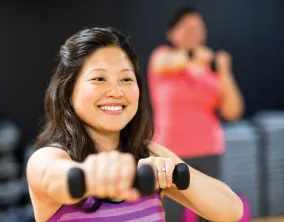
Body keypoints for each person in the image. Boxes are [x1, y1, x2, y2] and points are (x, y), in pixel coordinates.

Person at [26, 27, 243, 222]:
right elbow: (54, 178)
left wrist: (173, 171)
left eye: (126, 79)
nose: (117, 92)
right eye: (99, 79)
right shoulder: (47, 159)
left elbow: (231, 210)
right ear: (68, 92)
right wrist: (92, 175)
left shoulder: (149, 153)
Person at [147, 7, 245, 222]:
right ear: (172, 33)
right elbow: (170, 63)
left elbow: (233, 111)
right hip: (170, 152)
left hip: (209, 150)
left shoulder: (212, 69)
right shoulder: (162, 57)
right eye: (187, 27)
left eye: (198, 28)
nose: (194, 33)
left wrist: (223, 70)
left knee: (211, 215)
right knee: (169, 215)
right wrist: (200, 56)